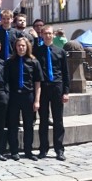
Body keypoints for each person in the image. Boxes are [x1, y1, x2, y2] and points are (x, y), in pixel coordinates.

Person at [35, 26, 70, 161]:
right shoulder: (37, 51)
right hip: (43, 88)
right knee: (43, 120)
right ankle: (43, 148)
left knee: (58, 120)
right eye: (45, 33)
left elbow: (65, 73)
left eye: (50, 33)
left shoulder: (60, 52)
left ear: (53, 35)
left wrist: (66, 92)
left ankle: (59, 149)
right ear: (42, 35)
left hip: (57, 87)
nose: (48, 36)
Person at [5, 37, 42, 161]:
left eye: (23, 46)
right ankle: (14, 150)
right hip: (14, 96)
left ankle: (28, 151)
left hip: (28, 96)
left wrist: (37, 100)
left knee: (29, 125)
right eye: (19, 45)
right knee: (12, 125)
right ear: (15, 47)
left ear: (27, 47)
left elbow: (37, 83)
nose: (21, 48)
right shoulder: (10, 62)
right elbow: (7, 81)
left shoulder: (34, 62)